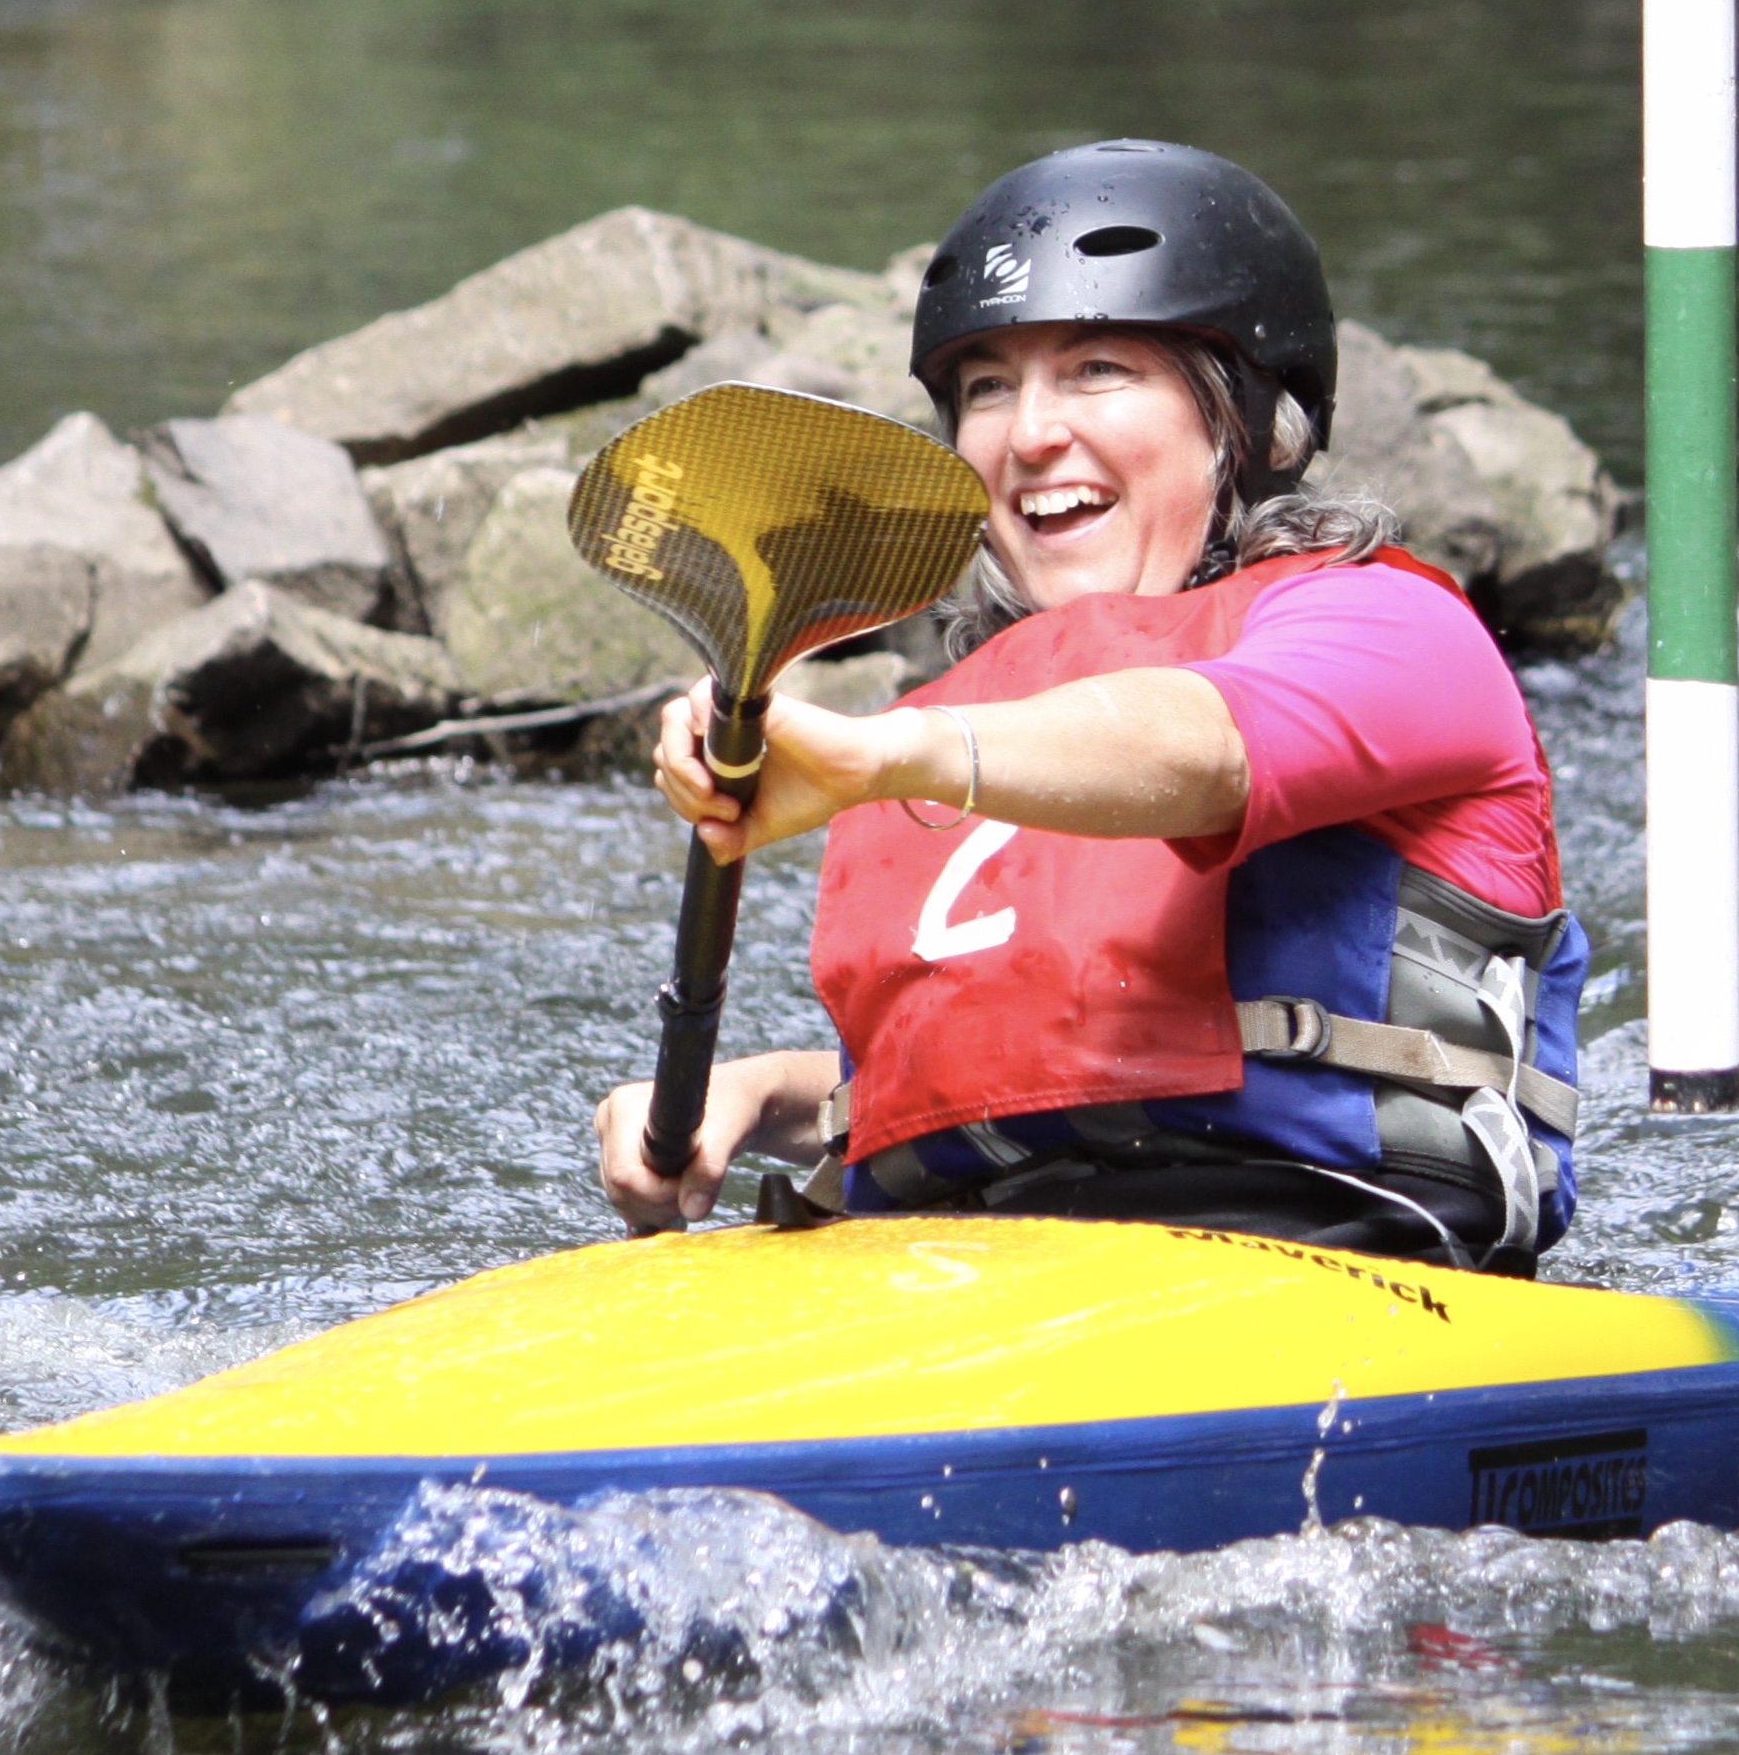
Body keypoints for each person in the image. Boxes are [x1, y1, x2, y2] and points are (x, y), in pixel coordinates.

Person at [589, 140, 1589, 1272]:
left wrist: (894, 753)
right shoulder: (957, 718)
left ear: (1255, 422)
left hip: (1338, 1249)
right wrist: (759, 1094)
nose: (1027, 435)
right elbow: (1043, 1046)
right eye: (987, 388)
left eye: (1102, 368)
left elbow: (1204, 748)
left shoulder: (1392, 630)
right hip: (968, 1270)